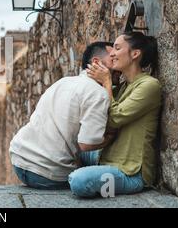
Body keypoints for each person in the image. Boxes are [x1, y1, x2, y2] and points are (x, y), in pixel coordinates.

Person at [9, 42, 117, 189]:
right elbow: (87, 144)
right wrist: (111, 137)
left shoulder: (63, 82)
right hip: (46, 174)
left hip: (19, 161)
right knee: (101, 177)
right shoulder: (98, 94)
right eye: (112, 59)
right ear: (97, 63)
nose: (117, 63)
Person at [68, 31, 161, 197]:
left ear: (135, 54)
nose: (112, 53)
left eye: (117, 48)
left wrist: (106, 82)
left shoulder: (149, 86)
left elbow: (113, 118)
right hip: (105, 159)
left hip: (131, 173)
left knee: (78, 181)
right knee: (73, 145)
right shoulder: (123, 87)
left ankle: (91, 176)